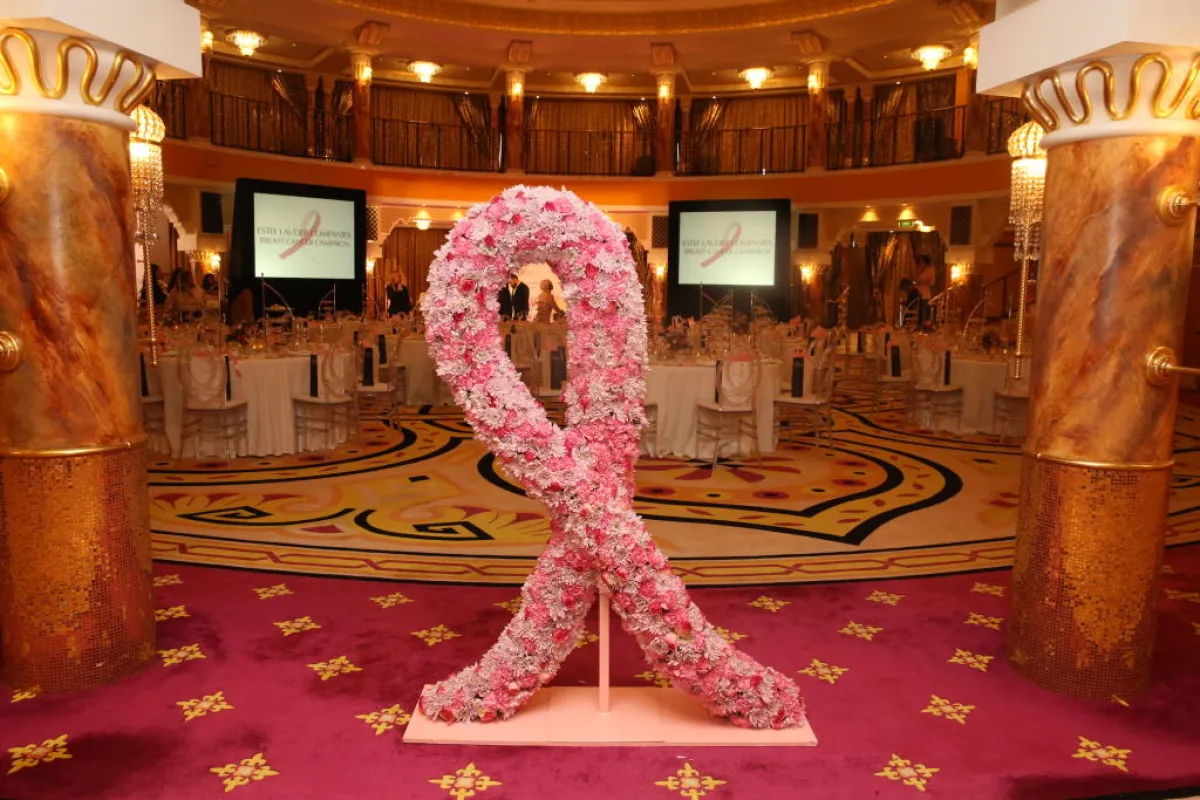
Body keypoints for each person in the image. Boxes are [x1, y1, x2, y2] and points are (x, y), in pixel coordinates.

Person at [915, 254, 937, 326]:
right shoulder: (920, 269)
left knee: (924, 312)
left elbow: (930, 282)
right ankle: (920, 325)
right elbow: (916, 279)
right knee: (920, 312)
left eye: (921, 261)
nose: (920, 262)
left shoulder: (930, 269)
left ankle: (924, 326)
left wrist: (920, 282)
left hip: (925, 294)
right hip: (919, 293)